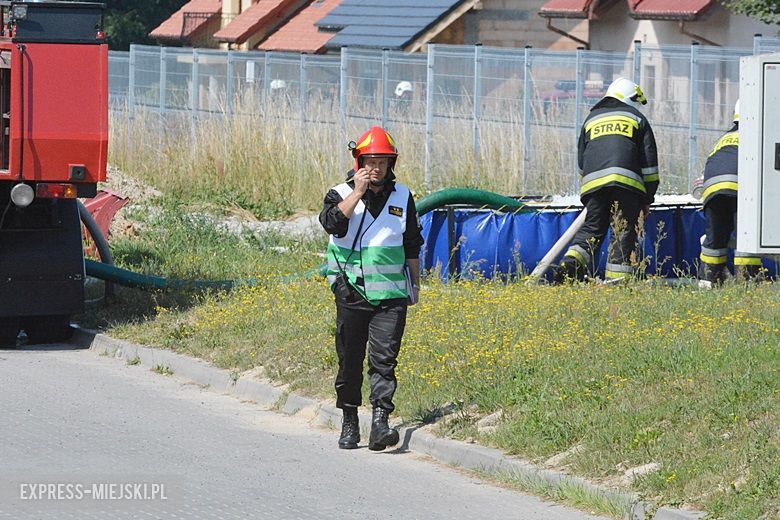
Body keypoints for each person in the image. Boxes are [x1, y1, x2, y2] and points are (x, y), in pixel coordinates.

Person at [319, 126, 424, 451]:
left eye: (382, 162)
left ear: (391, 163)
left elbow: (411, 245)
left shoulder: (403, 196)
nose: (376, 168)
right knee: (350, 361)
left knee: (384, 360)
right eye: (370, 161)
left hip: (392, 295)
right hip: (352, 292)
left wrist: (415, 286)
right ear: (359, 161)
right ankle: (350, 419)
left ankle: (380, 423)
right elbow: (333, 224)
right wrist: (357, 192)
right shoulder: (339, 193)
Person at [554, 77, 659, 283]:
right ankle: (617, 284)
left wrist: (590, 192)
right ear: (630, 98)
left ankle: (571, 264)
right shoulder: (637, 119)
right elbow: (649, 167)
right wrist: (647, 198)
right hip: (627, 186)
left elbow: (582, 161)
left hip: (593, 186)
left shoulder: (591, 119)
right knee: (622, 232)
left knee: (592, 229)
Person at [698, 100, 762, 284]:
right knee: (746, 237)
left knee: (714, 239)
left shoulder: (724, 138)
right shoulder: (757, 135)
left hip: (712, 189)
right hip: (740, 189)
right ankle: (748, 282)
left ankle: (708, 281)